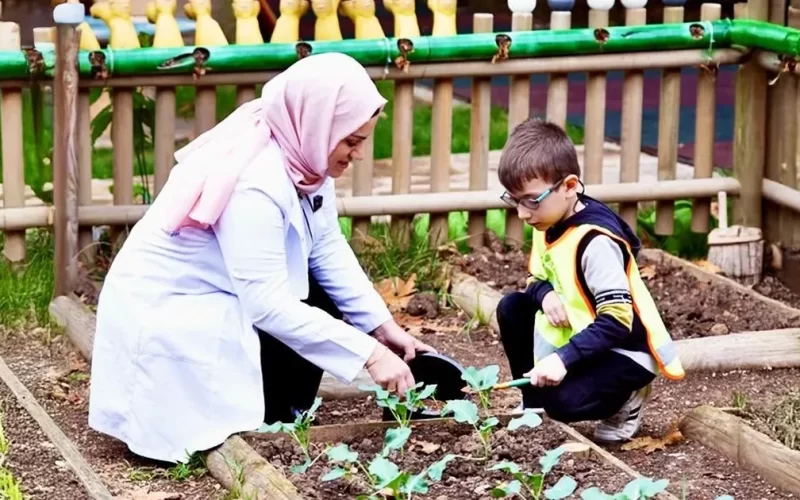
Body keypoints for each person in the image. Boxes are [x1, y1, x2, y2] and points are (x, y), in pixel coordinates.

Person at [87, 53, 435, 464]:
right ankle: (268, 425)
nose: (358, 155)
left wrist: (381, 327)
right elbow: (267, 305)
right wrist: (370, 356)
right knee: (299, 304)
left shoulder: (301, 155)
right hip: (172, 312)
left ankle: (280, 420)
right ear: (317, 125)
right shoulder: (254, 182)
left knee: (316, 293)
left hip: (222, 293)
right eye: (352, 142)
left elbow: (325, 246)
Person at [494, 118, 685, 443]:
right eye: (514, 200)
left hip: (624, 349)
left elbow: (616, 322)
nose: (522, 214)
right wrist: (545, 295)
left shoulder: (595, 243)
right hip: (583, 332)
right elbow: (534, 278)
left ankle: (627, 398)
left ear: (569, 186)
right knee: (512, 307)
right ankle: (533, 407)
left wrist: (562, 359)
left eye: (530, 200)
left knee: (563, 402)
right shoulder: (548, 218)